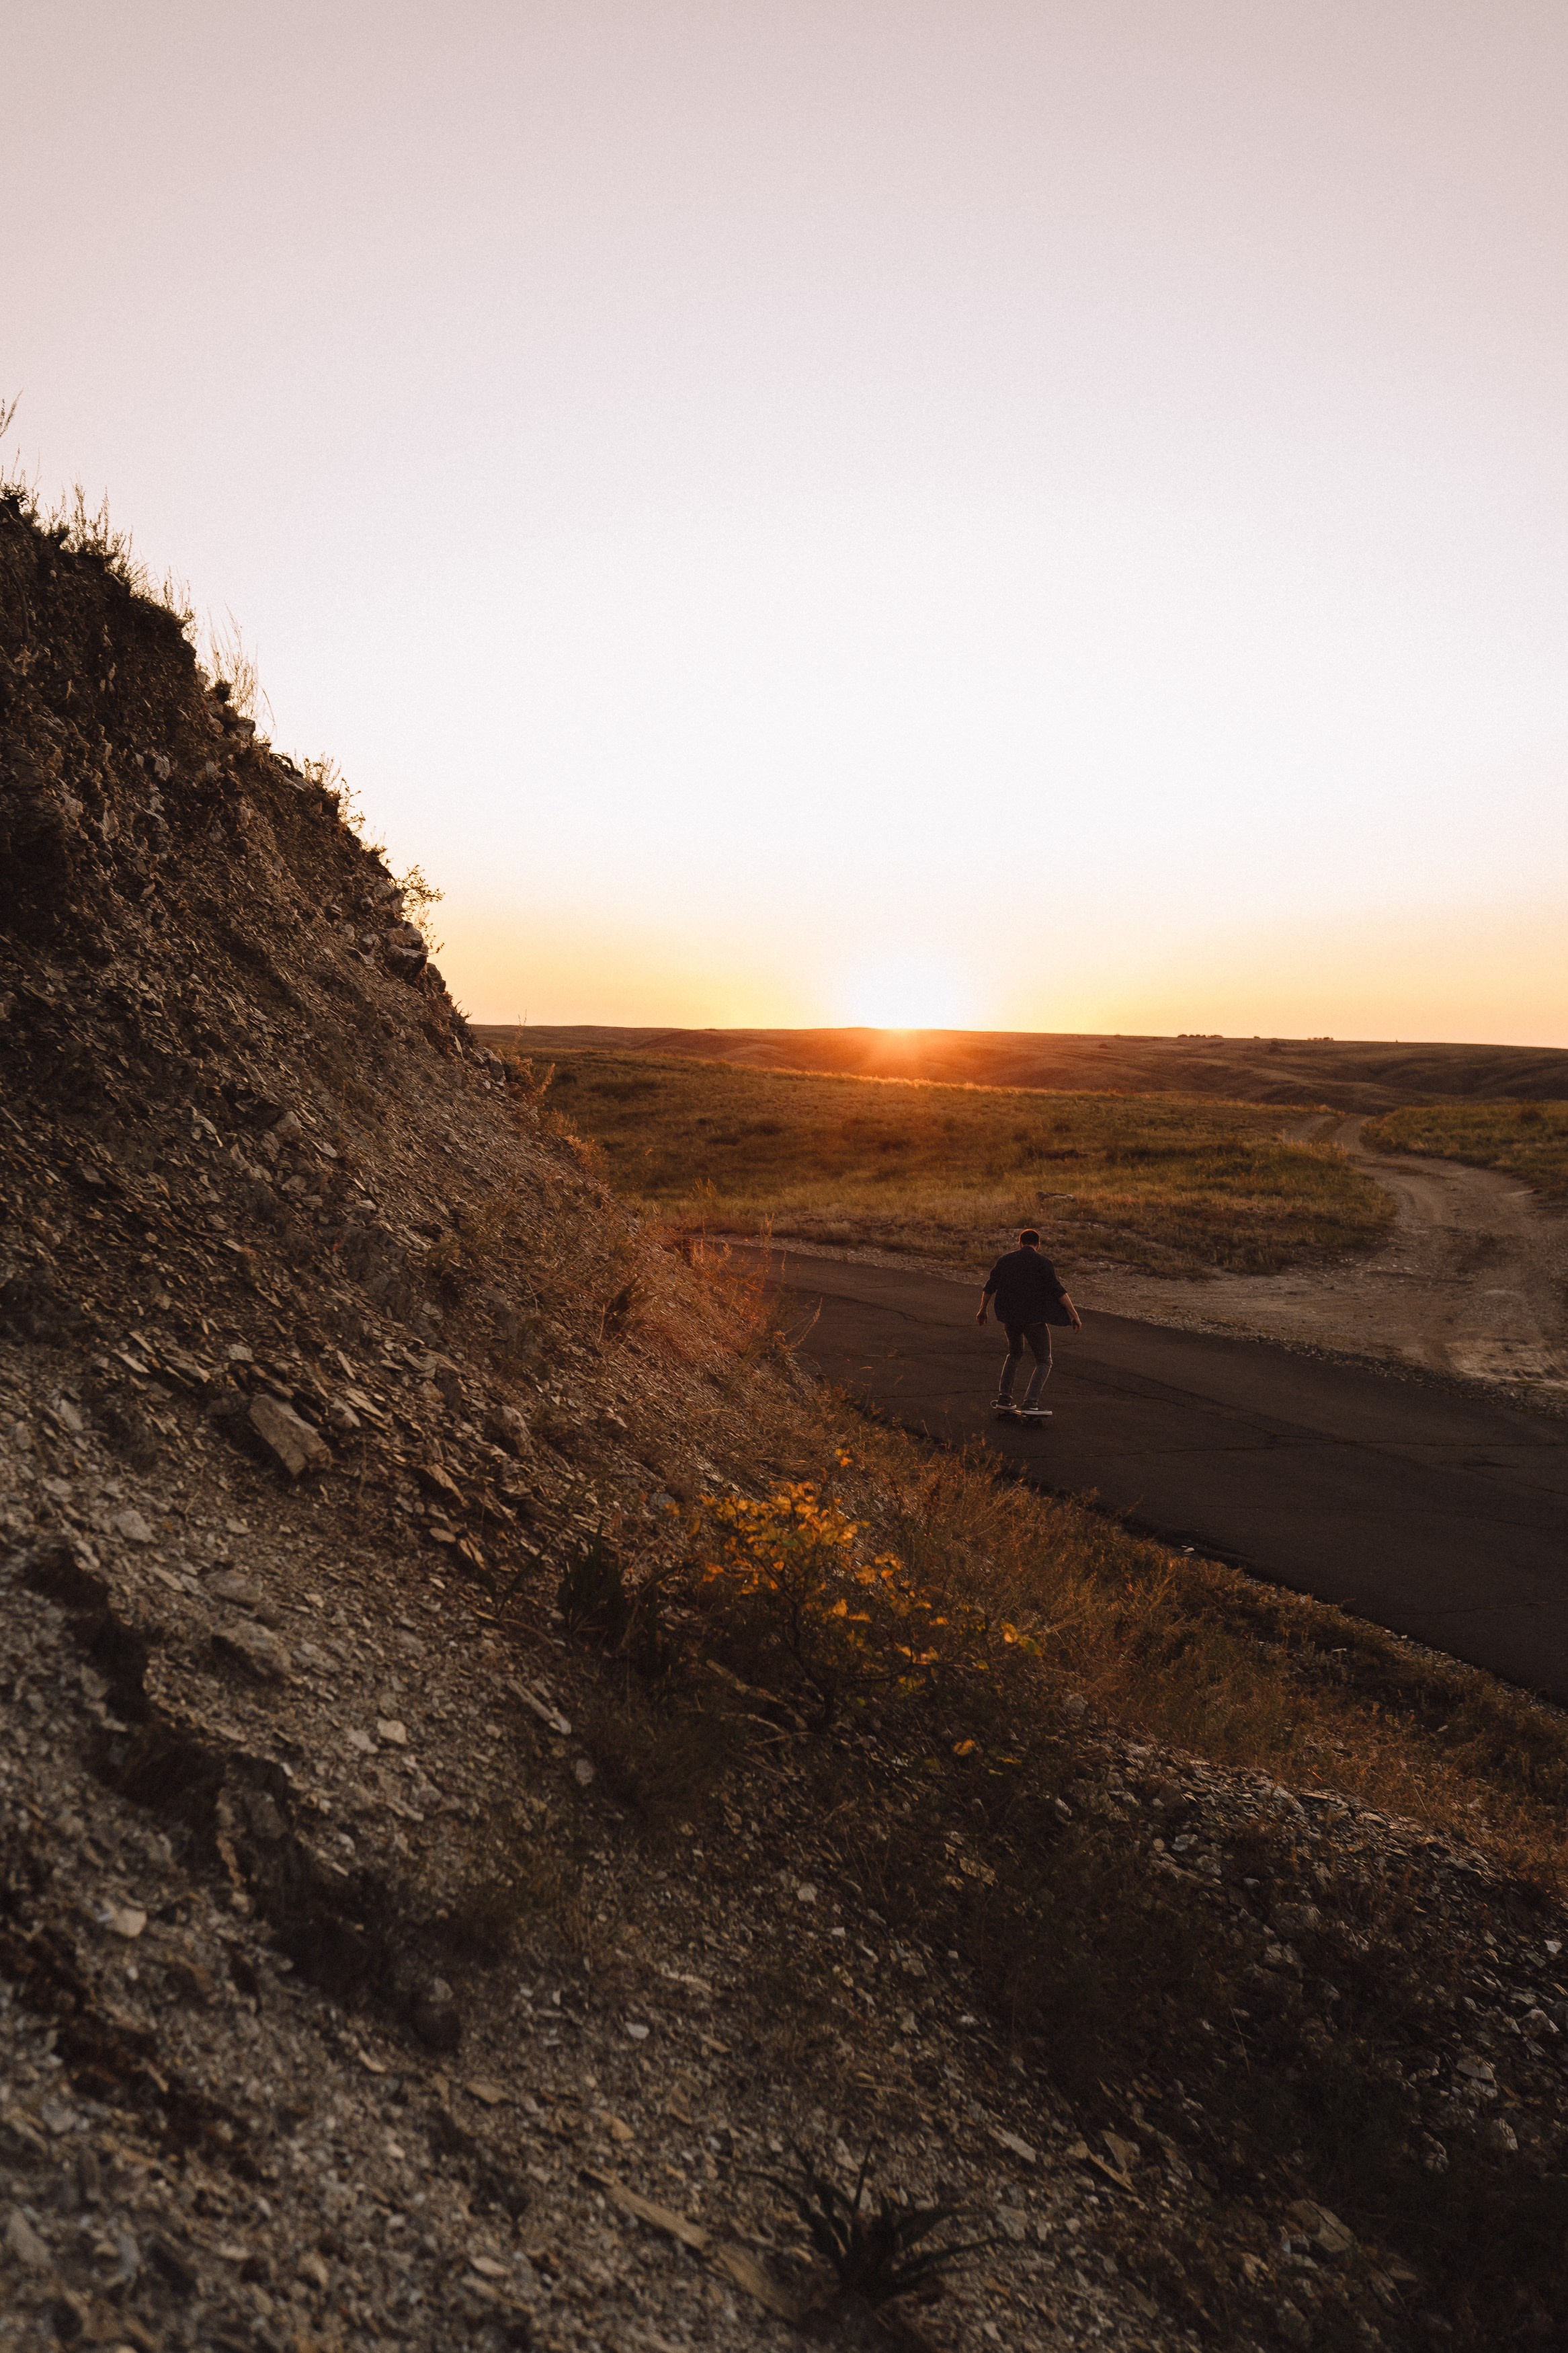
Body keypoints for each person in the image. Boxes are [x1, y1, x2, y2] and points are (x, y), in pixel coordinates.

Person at [976, 1228, 1081, 1422]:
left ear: (1020, 1243)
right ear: (1038, 1245)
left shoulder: (1005, 1260)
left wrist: (982, 1310)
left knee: (1015, 1354)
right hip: (1033, 1320)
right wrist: (1074, 1315)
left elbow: (989, 1287)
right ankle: (1031, 1402)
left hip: (1009, 1317)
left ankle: (1004, 1398)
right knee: (1044, 1361)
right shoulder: (1044, 1263)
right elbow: (1058, 1291)